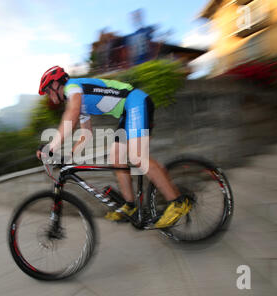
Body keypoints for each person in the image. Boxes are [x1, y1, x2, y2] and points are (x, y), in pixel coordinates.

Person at [36, 66, 191, 228]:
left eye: (47, 91)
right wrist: (70, 155)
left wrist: (51, 146)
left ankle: (178, 202)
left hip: (136, 101)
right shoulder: (79, 101)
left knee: (137, 156)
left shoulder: (72, 87)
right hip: (127, 111)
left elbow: (71, 114)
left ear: (55, 84)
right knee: (116, 157)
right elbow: (86, 133)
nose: (49, 95)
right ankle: (130, 207)